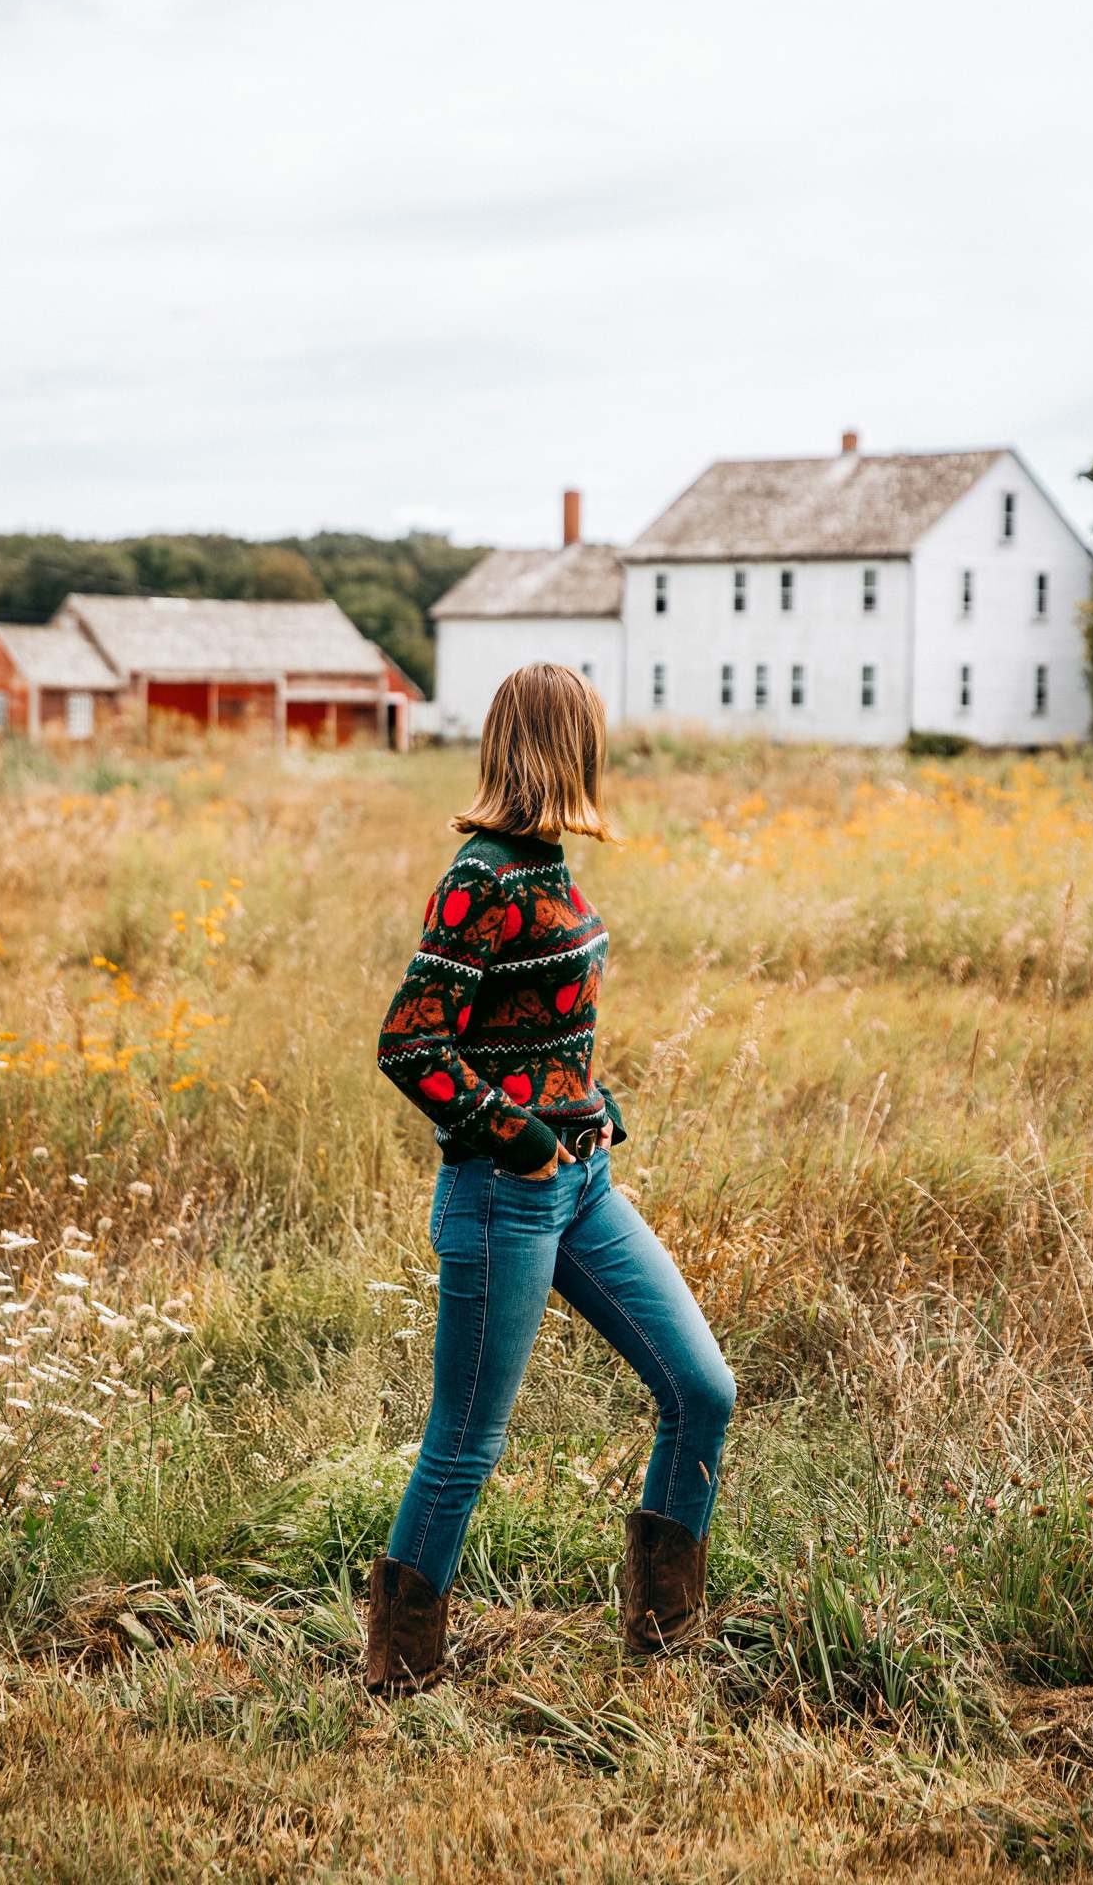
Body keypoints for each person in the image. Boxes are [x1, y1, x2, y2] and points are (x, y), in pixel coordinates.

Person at [367, 662, 737, 1692]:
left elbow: (530, 1023)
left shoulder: (547, 862)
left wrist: (589, 1100)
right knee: (466, 1441)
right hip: (503, 1194)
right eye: (592, 733)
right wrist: (517, 1134)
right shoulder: (482, 874)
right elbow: (411, 1042)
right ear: (562, 742)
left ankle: (661, 1639)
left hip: (581, 1184)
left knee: (700, 1388)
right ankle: (400, 1671)